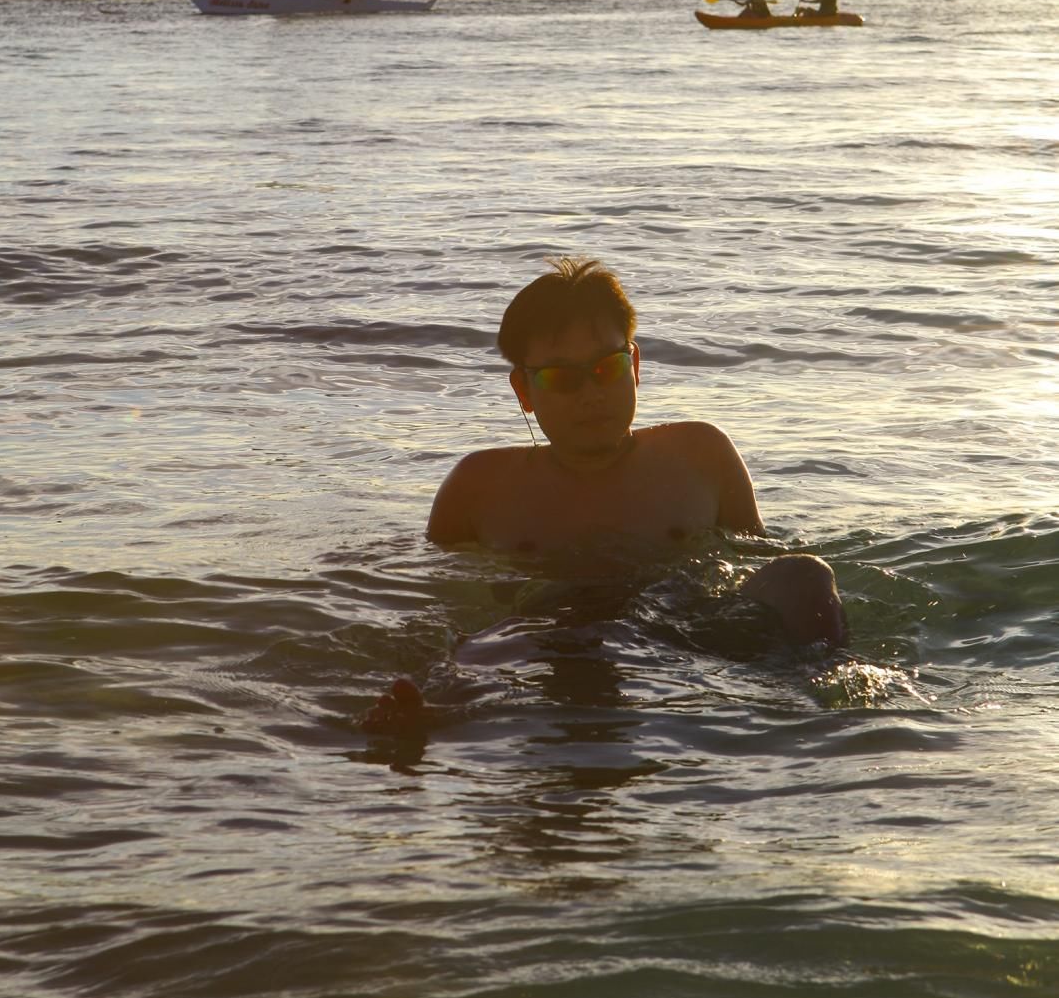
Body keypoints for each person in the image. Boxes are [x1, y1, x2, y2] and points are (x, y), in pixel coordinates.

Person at [362, 258, 846, 732]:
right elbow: (438, 612)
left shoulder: (701, 455)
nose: (590, 395)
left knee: (804, 575)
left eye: (605, 368)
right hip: (545, 640)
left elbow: (755, 566)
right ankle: (425, 716)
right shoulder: (478, 486)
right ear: (524, 390)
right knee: (538, 616)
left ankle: (829, 700)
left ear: (634, 364)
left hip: (687, 638)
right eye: (561, 378)